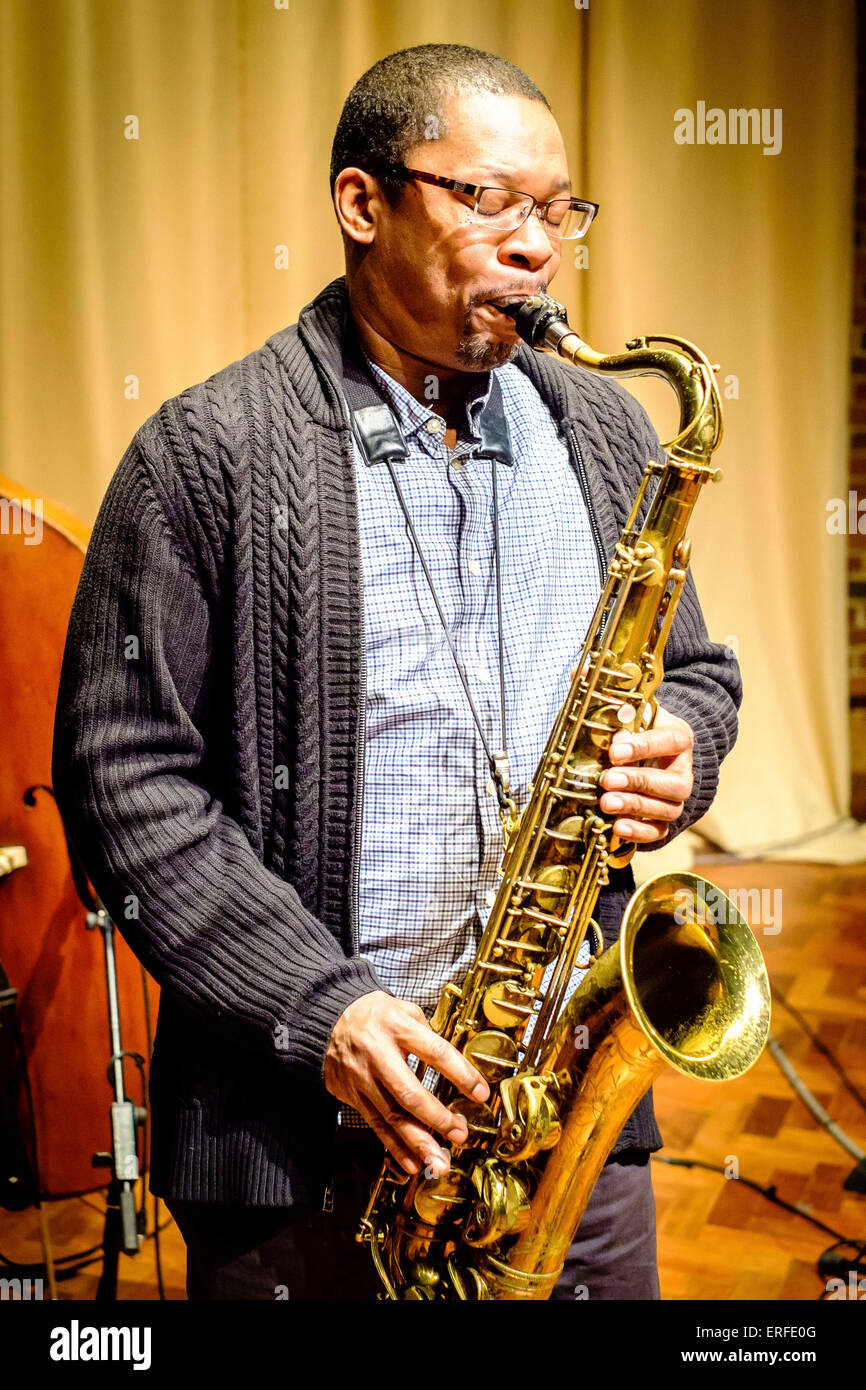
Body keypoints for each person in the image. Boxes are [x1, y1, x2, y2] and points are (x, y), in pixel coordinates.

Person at [52, 43, 741, 1301]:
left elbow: (694, 671)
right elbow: (123, 783)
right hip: (298, 1152)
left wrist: (679, 752)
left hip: (559, 1126)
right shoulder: (207, 452)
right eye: (488, 201)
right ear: (362, 204)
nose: (535, 244)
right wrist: (326, 1011)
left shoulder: (602, 426)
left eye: (555, 211)